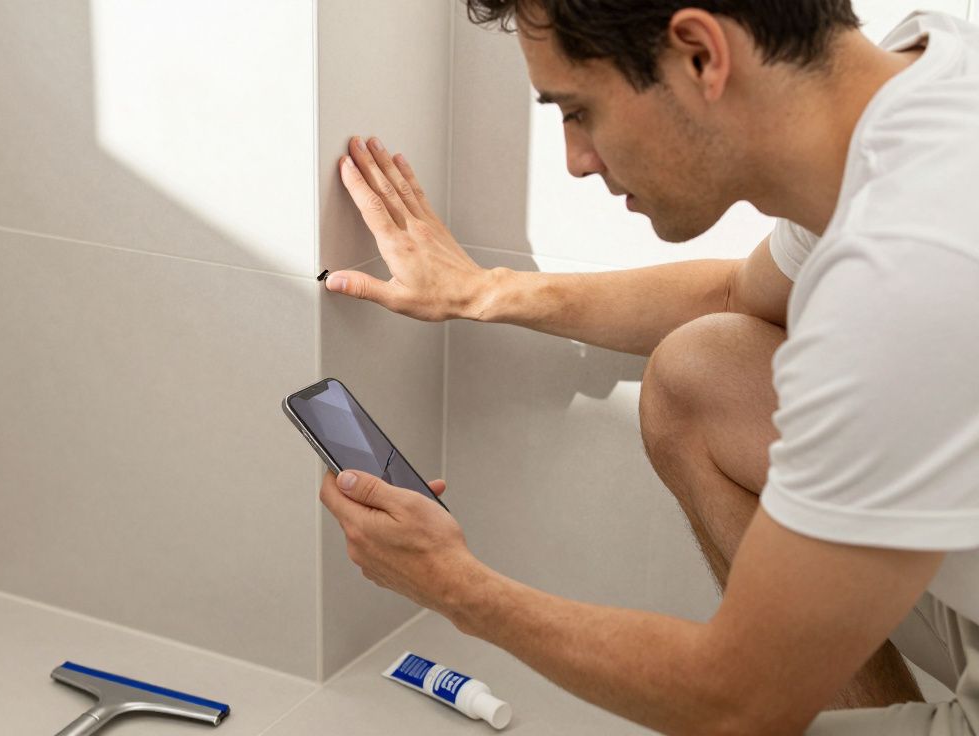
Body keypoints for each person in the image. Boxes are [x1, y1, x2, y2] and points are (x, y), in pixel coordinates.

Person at [315, 1, 979, 733]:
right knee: (700, 372)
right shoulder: (923, 86)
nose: (576, 159)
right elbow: (737, 294)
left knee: (750, 703)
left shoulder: (910, 271)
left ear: (700, 54)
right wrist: (479, 291)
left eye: (579, 111)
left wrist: (452, 584)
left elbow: (734, 698)